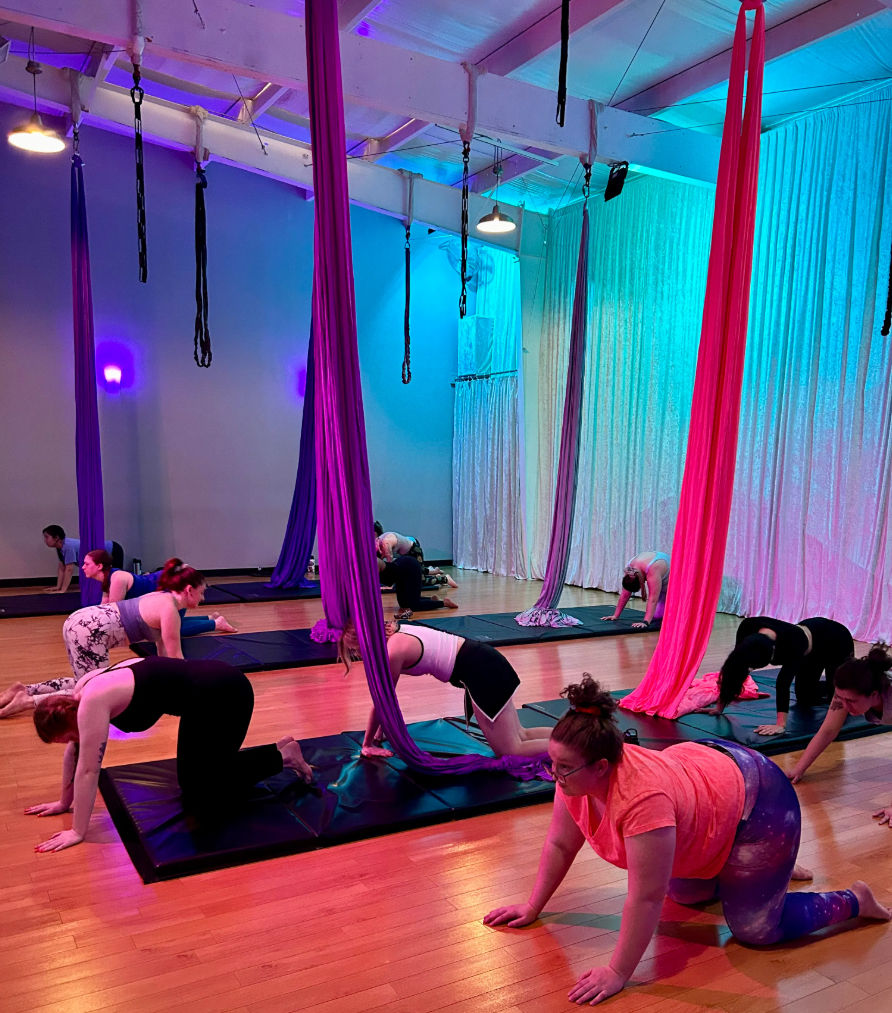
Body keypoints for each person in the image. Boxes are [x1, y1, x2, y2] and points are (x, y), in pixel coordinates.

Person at [483, 674, 890, 1006]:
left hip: (761, 796)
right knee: (688, 895)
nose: (554, 773)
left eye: (563, 767)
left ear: (602, 766)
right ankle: (763, 868)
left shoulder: (643, 800)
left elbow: (644, 897)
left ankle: (853, 899)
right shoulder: (575, 777)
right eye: (553, 763)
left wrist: (618, 972)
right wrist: (533, 905)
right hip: (711, 780)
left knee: (756, 929)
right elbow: (559, 844)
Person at [26, 655, 313, 852]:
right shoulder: (81, 691)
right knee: (193, 782)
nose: (65, 744)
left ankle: (284, 757)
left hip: (225, 695)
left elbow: (88, 770)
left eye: (60, 739)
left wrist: (78, 832)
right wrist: (64, 802)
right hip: (203, 699)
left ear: (64, 725)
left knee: (204, 785)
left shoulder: (91, 704)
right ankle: (279, 749)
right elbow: (75, 753)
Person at [341, 619, 553, 759]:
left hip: (481, 672)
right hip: (487, 661)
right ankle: (573, 739)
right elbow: (386, 700)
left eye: (356, 650)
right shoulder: (394, 629)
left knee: (511, 751)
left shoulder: (392, 651)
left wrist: (367, 744)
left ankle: (573, 749)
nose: (358, 656)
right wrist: (380, 733)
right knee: (521, 735)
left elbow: (383, 701)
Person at [789, 645, 892, 825]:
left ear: (874, 695)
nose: (844, 705)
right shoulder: (848, 692)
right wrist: (799, 768)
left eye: (851, 701)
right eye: (841, 698)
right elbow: (828, 730)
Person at [62, 558, 209, 679]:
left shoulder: (160, 597)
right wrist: (194, 683)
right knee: (91, 688)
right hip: (89, 629)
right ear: (189, 590)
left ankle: (37, 695)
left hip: (77, 620)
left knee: (82, 683)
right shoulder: (170, 610)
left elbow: (164, 653)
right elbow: (176, 658)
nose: (202, 598)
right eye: (201, 592)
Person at [718, 616, 854, 735]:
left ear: (773, 651)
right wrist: (720, 708)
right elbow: (734, 668)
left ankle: (853, 681)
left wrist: (780, 725)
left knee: (838, 698)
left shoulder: (793, 643)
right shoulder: (747, 627)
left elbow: (783, 683)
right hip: (810, 643)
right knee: (805, 697)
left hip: (837, 640)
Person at [81, 549, 236, 635]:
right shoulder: (107, 581)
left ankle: (215, 624)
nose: (83, 567)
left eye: (87, 564)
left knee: (174, 628)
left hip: (171, 586)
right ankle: (210, 618)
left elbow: (113, 613)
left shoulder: (117, 579)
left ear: (99, 566)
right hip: (162, 587)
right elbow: (102, 608)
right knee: (171, 623)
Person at [42, 525, 122, 594]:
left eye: (46, 537)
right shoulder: (60, 548)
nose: (45, 540)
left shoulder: (68, 546)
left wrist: (63, 590)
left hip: (113, 549)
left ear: (56, 538)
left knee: (116, 579)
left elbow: (69, 569)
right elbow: (61, 568)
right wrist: (58, 587)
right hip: (108, 552)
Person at [601, 551, 669, 629]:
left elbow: (653, 599)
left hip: (676, 581)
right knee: (657, 616)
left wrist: (646, 622)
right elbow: (625, 594)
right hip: (661, 573)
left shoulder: (652, 569)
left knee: (668, 617)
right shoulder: (630, 569)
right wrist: (615, 615)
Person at [375, 526, 458, 588]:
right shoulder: (378, 541)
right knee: (416, 572)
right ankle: (434, 571)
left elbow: (389, 565)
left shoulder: (385, 543)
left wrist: (389, 584)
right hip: (406, 553)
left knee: (421, 581)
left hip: (414, 551)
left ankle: (445, 579)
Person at [379, 555, 457, 620]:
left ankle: (444, 603)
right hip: (402, 569)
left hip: (410, 568)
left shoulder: (372, 563)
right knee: (404, 604)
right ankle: (431, 600)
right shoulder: (371, 562)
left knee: (412, 605)